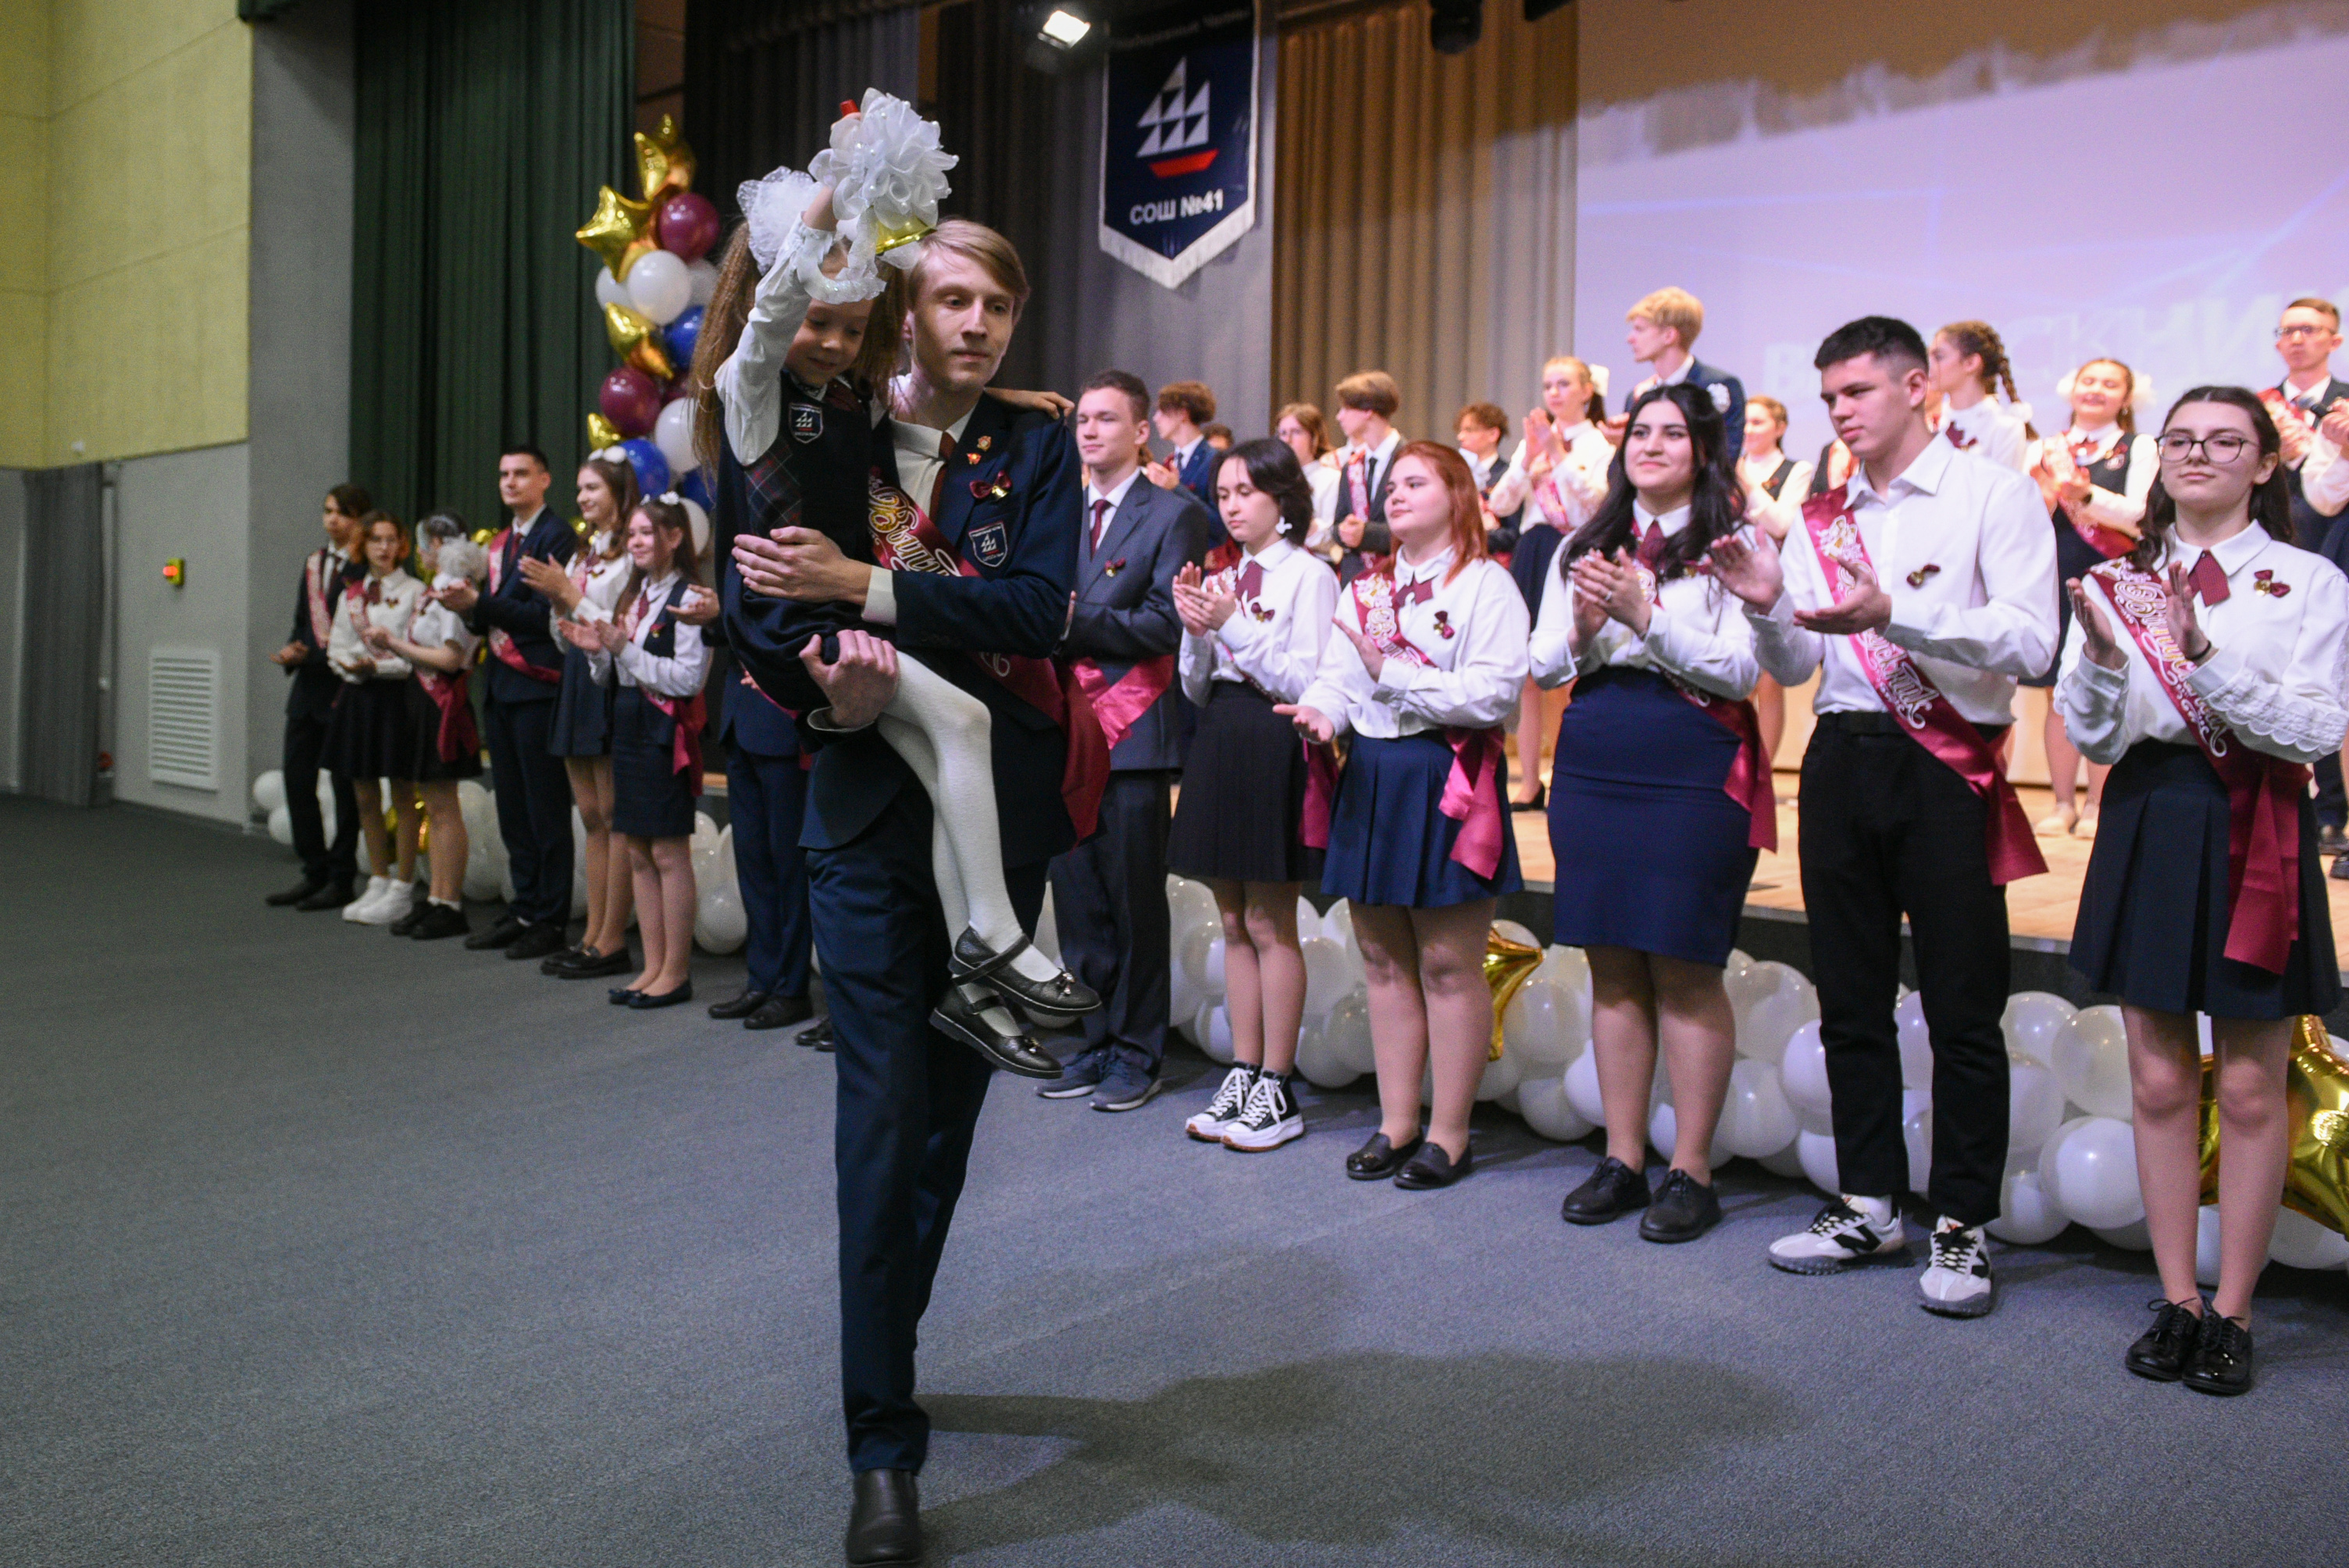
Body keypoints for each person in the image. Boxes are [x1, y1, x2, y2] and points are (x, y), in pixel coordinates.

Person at [718, 108, 1089, 1549]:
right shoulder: (829, 414)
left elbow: (1038, 611)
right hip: (866, 823)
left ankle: (891, 1343)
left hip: (1002, 832)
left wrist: (864, 587)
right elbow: (757, 600)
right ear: (901, 309)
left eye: (999, 304)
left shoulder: (1035, 445)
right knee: (878, 1131)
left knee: (945, 1133)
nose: (978, 324)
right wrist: (823, 678)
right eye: (953, 299)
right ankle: (883, 1441)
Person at [1708, 315, 2055, 1319]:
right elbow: (1795, 665)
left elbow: (2031, 644)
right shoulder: (1821, 516)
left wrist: (1892, 614)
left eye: (1856, 391)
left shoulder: (1992, 493)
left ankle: (1961, 1219)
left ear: (1915, 388)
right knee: (1849, 996)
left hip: (1945, 765)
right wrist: (1768, 605)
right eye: (1828, 398)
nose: (1839, 413)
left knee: (1961, 1005)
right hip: (1840, 757)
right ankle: (1867, 1200)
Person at [2056, 387, 2347, 1396]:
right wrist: (2101, 662)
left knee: (2256, 1086)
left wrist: (2205, 658)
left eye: (2224, 441)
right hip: (2150, 816)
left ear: (2264, 464)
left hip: (2254, 821)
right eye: (2179, 439)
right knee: (2158, 1081)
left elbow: (2315, 730)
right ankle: (2177, 1298)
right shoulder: (2116, 581)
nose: (2196, 455)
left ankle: (2234, 1311)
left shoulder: (2307, 580)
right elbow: (2094, 735)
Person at [1535, 383, 1773, 1242]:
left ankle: (1692, 1170)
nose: (1652, 445)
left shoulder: (1734, 545)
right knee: (1611, 965)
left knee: (1684, 964)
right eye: (1640, 431)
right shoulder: (1583, 543)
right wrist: (1579, 630)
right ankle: (1622, 1158)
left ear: (1704, 451)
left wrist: (1645, 616)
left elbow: (1742, 672)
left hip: (1693, 755)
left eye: (1674, 433)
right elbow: (1541, 663)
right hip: (1597, 750)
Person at [1283, 443, 1528, 1190]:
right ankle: (1396, 1123)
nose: (1395, 494)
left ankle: (1449, 1133)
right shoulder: (1367, 588)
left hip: (1447, 774)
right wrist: (1322, 715)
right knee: (1384, 962)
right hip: (1374, 775)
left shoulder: (1487, 585)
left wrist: (1394, 675)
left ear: (1458, 495)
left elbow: (1495, 694)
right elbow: (1336, 678)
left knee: (1450, 965)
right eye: (1392, 484)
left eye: (1416, 482)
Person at [1043, 370, 1215, 1110]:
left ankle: (1137, 1053)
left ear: (1142, 432)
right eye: (1083, 419)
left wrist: (1071, 620)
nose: (1090, 431)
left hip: (1133, 733)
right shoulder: (1055, 510)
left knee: (1134, 902)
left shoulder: (1175, 514)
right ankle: (1093, 1040)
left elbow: (1165, 624)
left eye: (1107, 419)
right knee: (1077, 900)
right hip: (1061, 729)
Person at [1169, 440, 1338, 1151]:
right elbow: (1196, 686)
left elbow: (1309, 682)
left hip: (1276, 737)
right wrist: (1195, 633)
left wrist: (1230, 623)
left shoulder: (1311, 575)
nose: (1232, 507)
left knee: (1271, 922)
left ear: (1283, 498)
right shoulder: (1226, 574)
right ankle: (1243, 1071)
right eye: (1224, 495)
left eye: (1247, 492)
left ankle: (1277, 1083)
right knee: (1233, 920)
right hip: (1221, 732)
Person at [563, 497, 711, 1009]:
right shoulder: (635, 594)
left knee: (667, 852)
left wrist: (622, 648)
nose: (637, 542)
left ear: (675, 538)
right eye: (632, 534)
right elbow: (617, 671)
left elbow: (687, 680)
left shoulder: (691, 597)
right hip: (627, 721)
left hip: (664, 729)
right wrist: (597, 653)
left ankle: (676, 971)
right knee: (636, 852)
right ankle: (651, 966)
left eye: (648, 533)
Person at [438, 446, 578, 961]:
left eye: (521, 473)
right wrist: (466, 608)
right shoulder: (499, 543)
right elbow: (493, 615)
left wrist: (481, 604)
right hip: (500, 686)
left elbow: (542, 618)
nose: (510, 482)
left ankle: (550, 918)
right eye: (504, 474)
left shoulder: (556, 536)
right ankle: (525, 907)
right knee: (513, 809)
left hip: (538, 685)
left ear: (545, 479)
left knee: (545, 809)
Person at [519, 457, 638, 978]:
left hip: (610, 679)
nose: (583, 498)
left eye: (593, 488)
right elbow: (563, 633)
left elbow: (618, 627)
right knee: (589, 815)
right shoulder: (584, 553)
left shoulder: (632, 552)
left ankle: (613, 939)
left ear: (619, 492)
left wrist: (568, 593)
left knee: (613, 815)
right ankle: (591, 933)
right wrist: (557, 603)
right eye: (580, 489)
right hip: (575, 677)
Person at [2027, 358, 2156, 836]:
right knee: (2055, 693)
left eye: (2110, 383)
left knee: (2106, 688)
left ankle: (2100, 803)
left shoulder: (2139, 446)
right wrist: (2044, 499)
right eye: (2089, 380)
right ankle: (2063, 803)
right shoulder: (2044, 448)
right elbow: (2020, 515)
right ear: (2071, 388)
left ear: (2127, 397)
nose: (2096, 390)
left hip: (2112, 575)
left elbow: (2141, 514)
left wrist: (2086, 497)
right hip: (2055, 575)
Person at [1488, 356, 1613, 809]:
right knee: (1527, 672)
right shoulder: (1533, 443)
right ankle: (1529, 780)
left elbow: (1595, 505)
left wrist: (1558, 457)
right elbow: (1501, 503)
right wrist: (1527, 461)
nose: (1554, 393)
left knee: (1565, 670)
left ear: (1586, 391)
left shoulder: (1600, 445)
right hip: (1534, 548)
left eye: (1564, 384)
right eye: (1548, 386)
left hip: (1574, 547)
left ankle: (1564, 772)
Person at [364, 514, 485, 940]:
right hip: (424, 698)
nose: (418, 553)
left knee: (444, 807)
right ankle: (436, 897)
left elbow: (451, 658)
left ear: (436, 544)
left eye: (421, 544)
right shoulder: (436, 590)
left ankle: (449, 902)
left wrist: (394, 643)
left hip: (442, 703)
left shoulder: (454, 592)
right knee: (433, 804)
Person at [2264, 298, 2349, 855]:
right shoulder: (2256, 407)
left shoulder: (2347, 403)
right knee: (2281, 678)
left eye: (2311, 330)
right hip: (2272, 554)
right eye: (2289, 330)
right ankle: (2289, 806)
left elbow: (2327, 496)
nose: (2298, 339)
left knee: (2335, 681)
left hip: (2336, 551)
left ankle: (2334, 813)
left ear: (2334, 340)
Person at [265, 484, 369, 911]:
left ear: (360, 520)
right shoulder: (313, 563)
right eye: (328, 511)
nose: (332, 520)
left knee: (345, 791)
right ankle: (315, 870)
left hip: (344, 690)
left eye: (343, 513)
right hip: (307, 690)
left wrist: (314, 653)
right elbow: (301, 623)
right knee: (297, 780)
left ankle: (342, 877)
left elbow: (362, 633)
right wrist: (294, 649)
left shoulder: (366, 569)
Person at [323, 511, 429, 927]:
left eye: (391, 539)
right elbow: (336, 646)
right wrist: (353, 667)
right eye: (375, 540)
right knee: (364, 795)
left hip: (398, 698)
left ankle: (404, 885)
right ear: (362, 546)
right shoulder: (352, 594)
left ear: (401, 545)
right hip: (358, 698)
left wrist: (378, 667)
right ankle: (379, 879)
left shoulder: (416, 591)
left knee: (403, 795)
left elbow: (415, 653)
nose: (383, 548)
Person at [1736, 395, 1813, 762]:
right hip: (1730, 580)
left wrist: (1745, 485)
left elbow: (1783, 523)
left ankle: (1763, 767)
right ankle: (1733, 766)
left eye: (1758, 422)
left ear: (1779, 428)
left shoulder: (1796, 470)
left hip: (1773, 582)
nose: (1748, 430)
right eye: (1745, 422)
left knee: (1769, 680)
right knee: (1736, 675)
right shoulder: (1729, 466)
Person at [1623, 286, 1744, 469]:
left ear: (1669, 336)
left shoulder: (1717, 386)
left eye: (1640, 329)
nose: (1630, 338)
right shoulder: (1638, 396)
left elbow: (1723, 463)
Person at [1928, 321, 2032, 472]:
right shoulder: (1929, 425)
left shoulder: (2004, 428)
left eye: (1938, 357)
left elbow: (2002, 485)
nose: (1928, 366)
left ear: (1971, 363)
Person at [1329, 369, 1406, 572]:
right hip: (1355, 577)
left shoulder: (1410, 460)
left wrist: (1366, 534)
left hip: (1396, 573)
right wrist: (1343, 531)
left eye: (1346, 409)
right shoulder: (1352, 465)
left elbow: (1419, 528)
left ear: (1367, 410)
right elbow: (1337, 524)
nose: (1339, 417)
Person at [1275, 401, 1344, 547]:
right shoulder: (1274, 479)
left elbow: (1333, 537)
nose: (1288, 440)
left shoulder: (1331, 479)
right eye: (1283, 433)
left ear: (1314, 437)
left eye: (1296, 432)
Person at [1149, 379, 1221, 514]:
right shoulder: (1170, 462)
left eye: (1162, 411)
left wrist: (1176, 488)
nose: (1156, 418)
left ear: (1182, 414)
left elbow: (1219, 521)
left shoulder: (1214, 461)